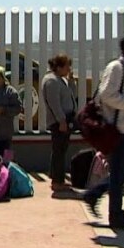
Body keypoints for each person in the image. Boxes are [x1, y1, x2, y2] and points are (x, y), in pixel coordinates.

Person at [83, 34, 124, 231]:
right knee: (120, 172)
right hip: (117, 131)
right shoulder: (117, 68)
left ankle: (95, 194)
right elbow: (107, 95)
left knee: (123, 171)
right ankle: (115, 215)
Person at [42, 54, 78, 192]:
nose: (69, 69)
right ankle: (57, 181)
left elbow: (71, 96)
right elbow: (54, 103)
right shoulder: (51, 81)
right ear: (58, 67)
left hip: (65, 119)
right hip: (59, 122)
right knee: (59, 151)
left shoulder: (60, 80)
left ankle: (56, 178)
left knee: (60, 150)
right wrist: (61, 120)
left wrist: (71, 82)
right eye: (67, 66)